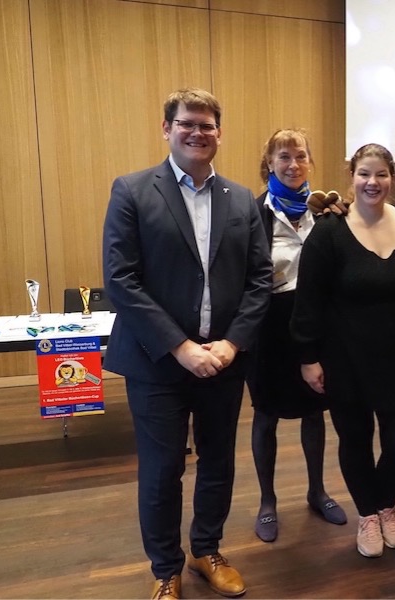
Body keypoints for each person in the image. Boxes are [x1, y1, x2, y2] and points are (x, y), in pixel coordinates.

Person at [102, 88, 272, 600]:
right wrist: (181, 347)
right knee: (162, 469)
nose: (197, 132)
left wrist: (231, 344)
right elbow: (120, 280)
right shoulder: (132, 191)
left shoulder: (241, 199)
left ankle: (206, 550)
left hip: (223, 361)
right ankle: (165, 568)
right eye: (187, 124)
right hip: (158, 361)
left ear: (220, 133)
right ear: (166, 129)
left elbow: (260, 279)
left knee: (219, 461)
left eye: (207, 125)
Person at [290, 143, 395, 558]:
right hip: (345, 358)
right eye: (364, 174)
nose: (373, 182)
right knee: (355, 439)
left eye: (381, 174)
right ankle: (369, 513)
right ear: (351, 176)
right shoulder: (329, 231)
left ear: (393, 179)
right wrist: (308, 357)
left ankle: (384, 503)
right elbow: (308, 299)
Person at [246, 128, 347, 543]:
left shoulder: (327, 213)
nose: (293, 164)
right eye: (283, 157)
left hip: (316, 326)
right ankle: (267, 501)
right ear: (269, 162)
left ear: (310, 162)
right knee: (266, 414)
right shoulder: (252, 214)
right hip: (269, 326)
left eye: (300, 156)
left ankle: (316, 491)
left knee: (313, 410)